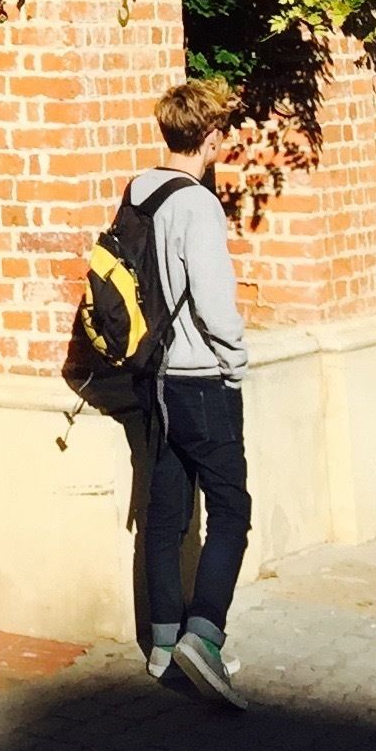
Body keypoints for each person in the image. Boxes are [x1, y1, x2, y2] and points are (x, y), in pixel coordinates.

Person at [132, 77, 252, 714]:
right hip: (201, 377)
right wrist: (237, 360)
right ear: (207, 138)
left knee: (166, 511)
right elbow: (213, 304)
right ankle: (204, 636)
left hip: (152, 379)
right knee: (232, 509)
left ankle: (160, 644)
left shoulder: (139, 193)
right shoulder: (197, 206)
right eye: (222, 135)